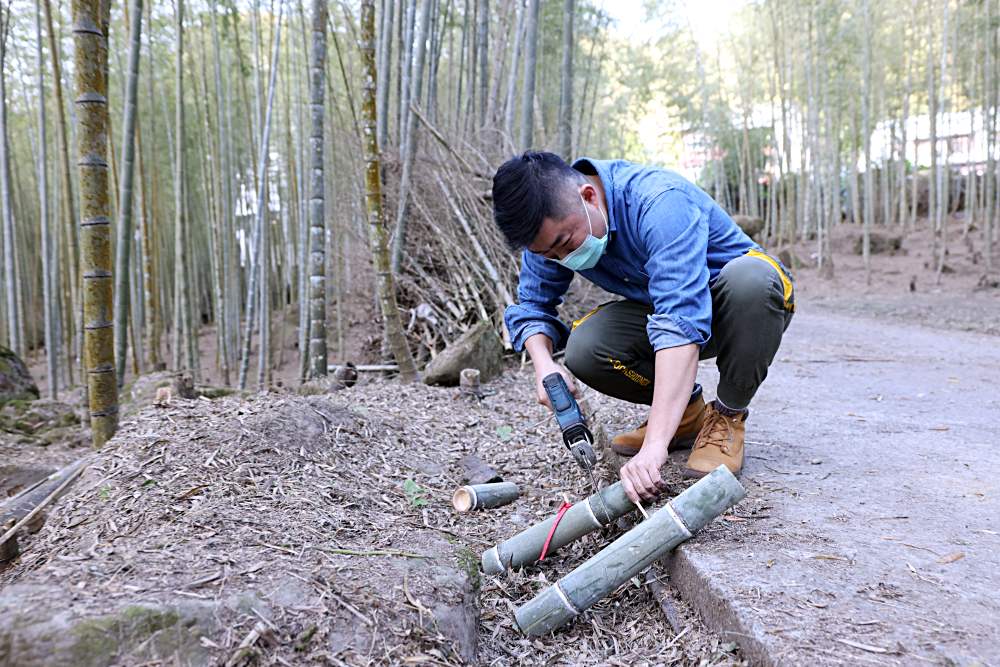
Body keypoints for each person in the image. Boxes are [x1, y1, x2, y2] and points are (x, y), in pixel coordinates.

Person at [492, 151, 795, 504]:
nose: (563, 259)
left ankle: (727, 417)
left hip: (740, 310)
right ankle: (686, 416)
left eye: (565, 245)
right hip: (667, 312)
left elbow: (678, 322)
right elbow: (532, 305)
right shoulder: (549, 233)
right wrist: (544, 365)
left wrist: (654, 447)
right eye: (550, 256)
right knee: (586, 348)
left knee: (752, 280)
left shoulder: (659, 202)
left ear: (588, 196)